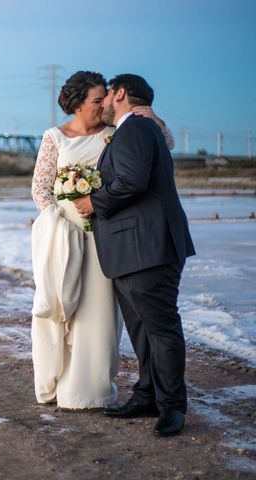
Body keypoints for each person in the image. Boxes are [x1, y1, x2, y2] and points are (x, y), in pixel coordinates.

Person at [30, 71, 174, 410]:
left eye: (104, 99)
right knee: (64, 309)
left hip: (105, 237)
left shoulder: (118, 132)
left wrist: (153, 115)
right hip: (64, 236)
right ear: (78, 105)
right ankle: (57, 384)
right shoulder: (55, 137)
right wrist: (58, 223)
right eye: (97, 101)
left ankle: (91, 390)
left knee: (99, 314)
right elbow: (40, 188)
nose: (103, 105)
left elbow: (164, 143)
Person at [73, 74, 195, 436]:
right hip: (134, 249)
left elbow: (131, 181)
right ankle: (147, 395)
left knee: (161, 329)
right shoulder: (134, 130)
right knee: (142, 331)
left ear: (120, 94)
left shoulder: (136, 129)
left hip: (150, 248)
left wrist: (91, 201)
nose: (105, 102)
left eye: (107, 94)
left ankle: (173, 406)